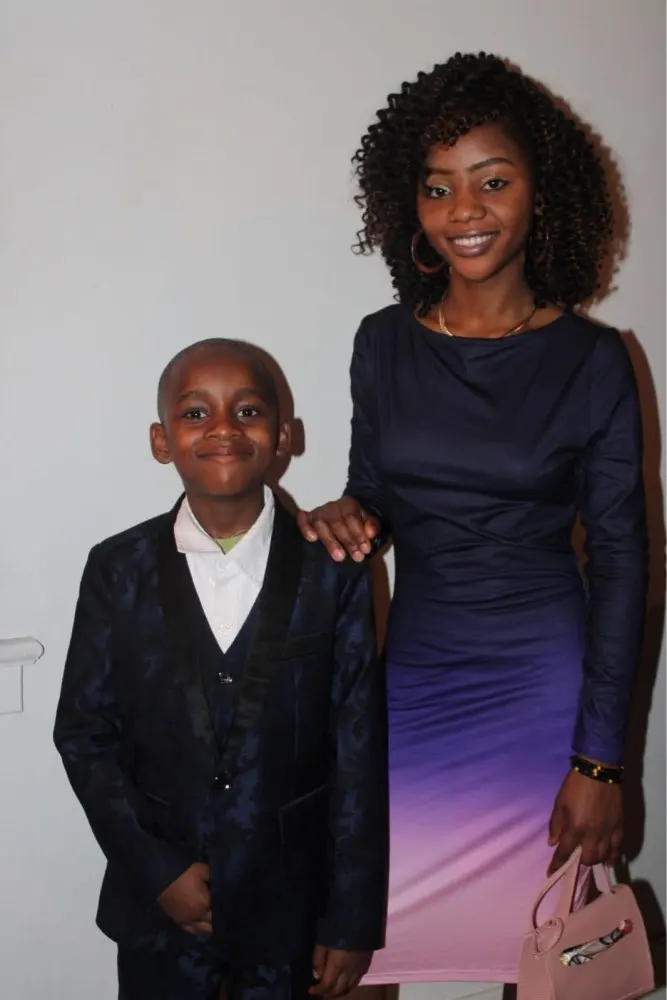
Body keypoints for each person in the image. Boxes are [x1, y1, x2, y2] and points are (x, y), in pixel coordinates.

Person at [298, 52, 648, 987]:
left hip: (543, 692)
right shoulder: (383, 342)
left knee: (538, 961)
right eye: (437, 186)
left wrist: (601, 763)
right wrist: (348, 514)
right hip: (413, 680)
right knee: (354, 951)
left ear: (541, 192)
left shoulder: (593, 360)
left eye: (492, 181)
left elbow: (623, 562)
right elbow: (375, 492)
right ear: (408, 203)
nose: (464, 210)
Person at [54, 339, 388, 1000]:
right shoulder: (117, 569)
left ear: (284, 435)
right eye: (195, 413)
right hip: (160, 909)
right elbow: (84, 736)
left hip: (294, 908)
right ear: (162, 441)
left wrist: (351, 919)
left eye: (249, 410)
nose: (224, 429)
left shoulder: (333, 571)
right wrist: (158, 870)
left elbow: (358, 753)